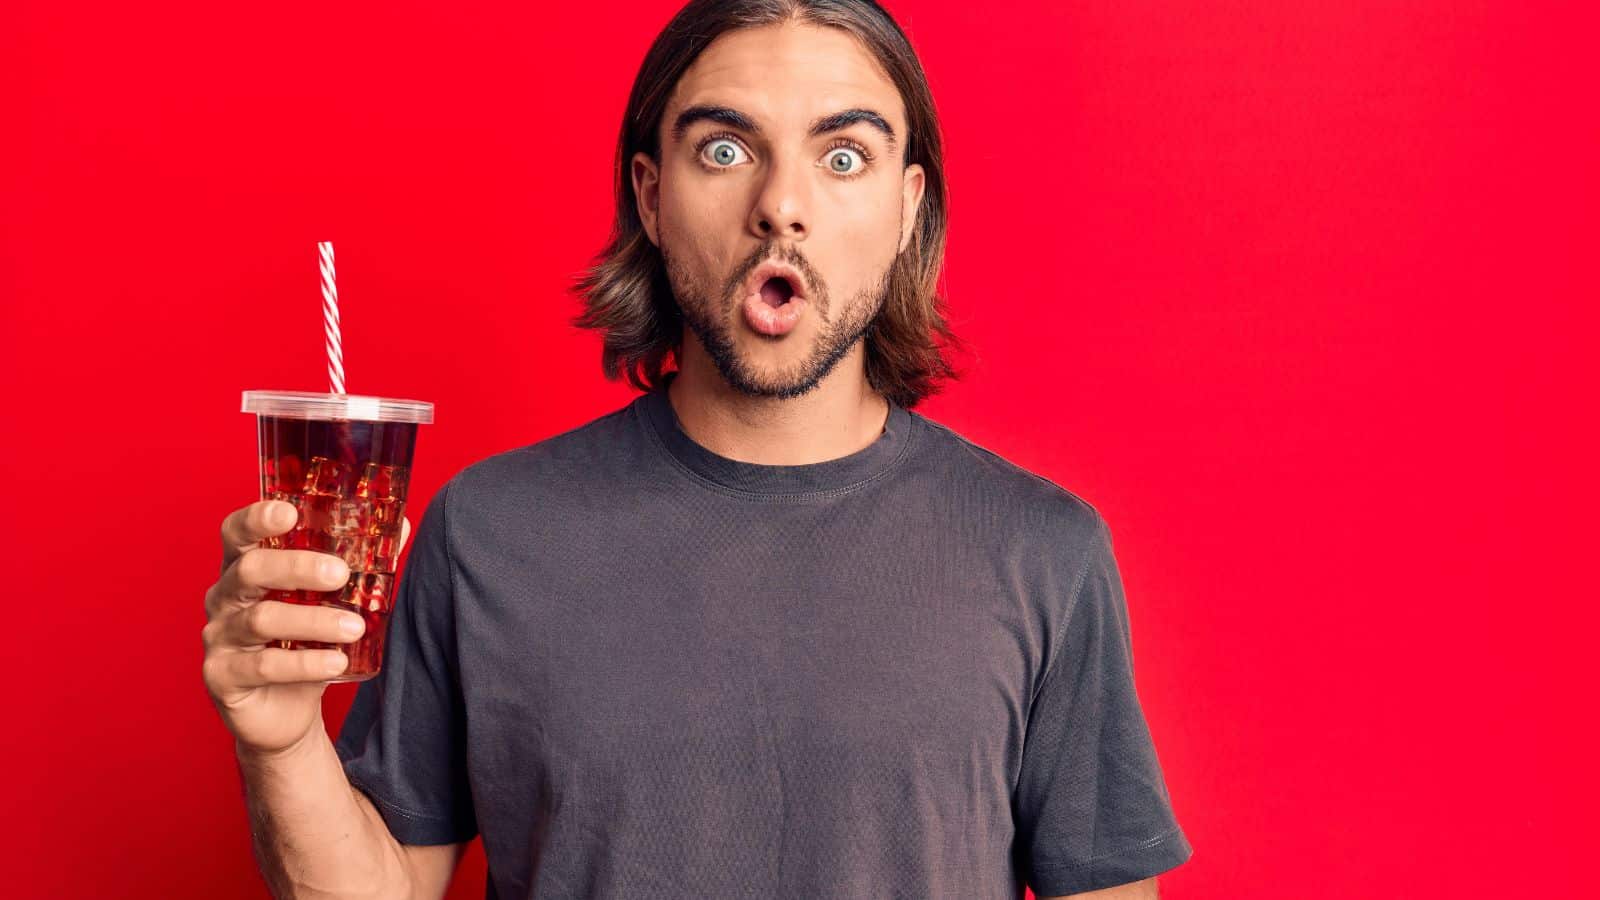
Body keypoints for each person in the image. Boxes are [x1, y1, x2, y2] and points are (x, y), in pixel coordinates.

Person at [201, 1, 1194, 897]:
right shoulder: (487, 533)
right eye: (725, 149)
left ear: (904, 208)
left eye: (842, 156)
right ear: (650, 193)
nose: (780, 205)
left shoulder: (1041, 553)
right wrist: (282, 745)